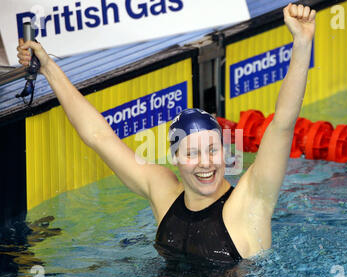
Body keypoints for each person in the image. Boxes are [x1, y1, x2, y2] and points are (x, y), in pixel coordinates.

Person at [17, 3, 316, 263]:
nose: (206, 163)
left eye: (212, 150)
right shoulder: (162, 191)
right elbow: (99, 137)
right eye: (192, 153)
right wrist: (47, 68)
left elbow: (283, 124)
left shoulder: (251, 202)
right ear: (175, 157)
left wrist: (302, 43)